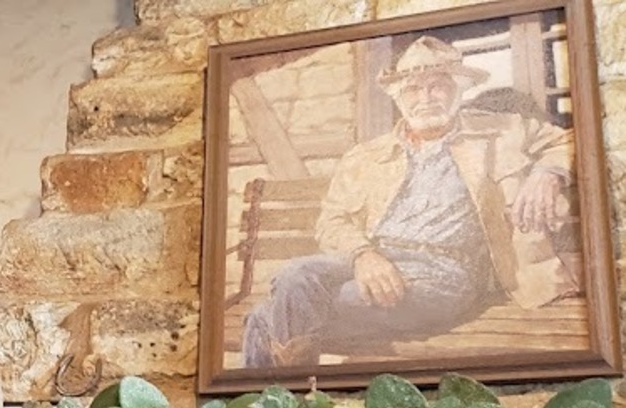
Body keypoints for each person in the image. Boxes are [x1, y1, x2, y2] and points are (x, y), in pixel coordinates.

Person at [242, 35, 576, 368]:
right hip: (377, 261)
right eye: (413, 89)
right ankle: (291, 395)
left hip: (444, 275)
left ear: (459, 89)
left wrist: (546, 173)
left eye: (437, 86)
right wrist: (363, 254)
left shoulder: (502, 130)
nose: (426, 98)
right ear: (398, 97)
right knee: (295, 275)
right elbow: (331, 221)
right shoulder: (365, 156)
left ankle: (277, 399)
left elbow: (572, 140)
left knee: (267, 316)